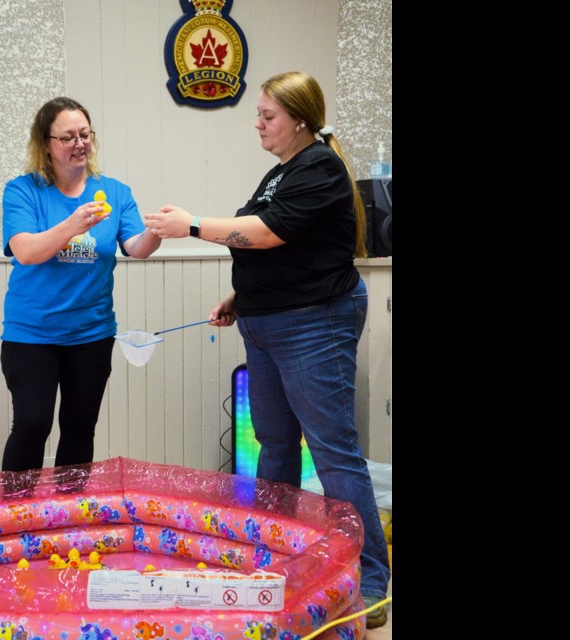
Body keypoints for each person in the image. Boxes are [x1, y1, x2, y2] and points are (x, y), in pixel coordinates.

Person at [143, 71, 390, 627]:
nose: (257, 123)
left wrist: (193, 225)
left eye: (267, 116)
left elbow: (267, 233)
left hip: (313, 323)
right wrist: (240, 296)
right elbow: (275, 248)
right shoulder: (282, 173)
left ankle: (374, 578)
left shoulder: (320, 167)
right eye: (257, 114)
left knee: (334, 452)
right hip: (267, 321)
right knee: (275, 444)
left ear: (299, 119)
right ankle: (277, 553)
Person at [0, 96, 161, 475]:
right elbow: (25, 250)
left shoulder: (116, 192)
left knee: (79, 429)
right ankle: (13, 518)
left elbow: (136, 247)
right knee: (32, 424)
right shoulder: (23, 190)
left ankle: (69, 519)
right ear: (45, 144)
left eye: (85, 135)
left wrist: (157, 232)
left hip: (91, 334)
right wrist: (73, 224)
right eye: (68, 137)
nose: (79, 144)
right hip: (31, 334)